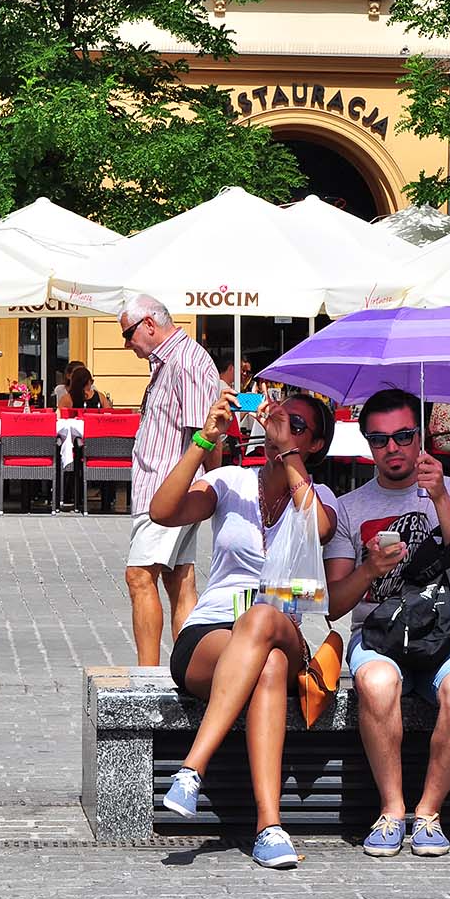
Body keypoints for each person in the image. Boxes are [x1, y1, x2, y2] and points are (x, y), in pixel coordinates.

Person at [151, 393, 338, 868]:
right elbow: (163, 511)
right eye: (278, 416)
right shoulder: (230, 481)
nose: (281, 426)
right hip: (213, 632)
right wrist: (203, 440)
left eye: (297, 425)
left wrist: (288, 455)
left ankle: (192, 768)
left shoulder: (319, 496)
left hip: (283, 625)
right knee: (267, 666)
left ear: (314, 444)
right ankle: (269, 827)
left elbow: (318, 529)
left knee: (261, 619)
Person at [325, 388, 450, 859]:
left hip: (445, 634)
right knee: (376, 683)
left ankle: (428, 812)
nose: (392, 448)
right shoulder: (349, 507)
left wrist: (440, 498)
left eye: (402, 436)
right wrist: (370, 570)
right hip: (377, 634)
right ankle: (392, 810)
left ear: (421, 436)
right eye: (379, 440)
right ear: (367, 444)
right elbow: (334, 604)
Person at [119, 294, 220, 667]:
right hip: (166, 489)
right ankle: (189, 668)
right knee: (179, 578)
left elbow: (206, 435)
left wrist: (210, 487)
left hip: (170, 492)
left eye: (128, 334)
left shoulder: (185, 362)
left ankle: (148, 677)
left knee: (139, 576)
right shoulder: (170, 361)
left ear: (149, 323)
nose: (126, 344)